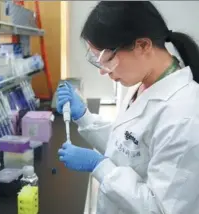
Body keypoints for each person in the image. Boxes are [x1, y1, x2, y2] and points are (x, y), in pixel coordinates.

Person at [56, 2, 199, 214]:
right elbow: (129, 147)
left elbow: (160, 209)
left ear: (143, 45)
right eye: (98, 61)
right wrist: (84, 117)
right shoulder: (144, 82)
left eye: (109, 59)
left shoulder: (184, 115)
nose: (103, 71)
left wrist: (100, 167)